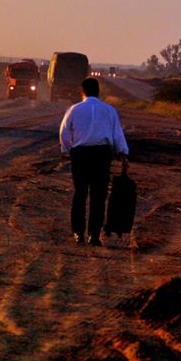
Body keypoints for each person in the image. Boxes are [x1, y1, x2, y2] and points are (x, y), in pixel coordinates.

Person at [59, 78, 129, 246]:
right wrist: (123, 155)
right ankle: (94, 235)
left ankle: (78, 233)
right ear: (99, 92)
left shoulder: (74, 110)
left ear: (82, 91)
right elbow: (117, 134)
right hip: (101, 156)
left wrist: (69, 150)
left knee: (80, 194)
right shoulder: (109, 110)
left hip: (80, 155)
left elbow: (64, 133)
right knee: (98, 196)